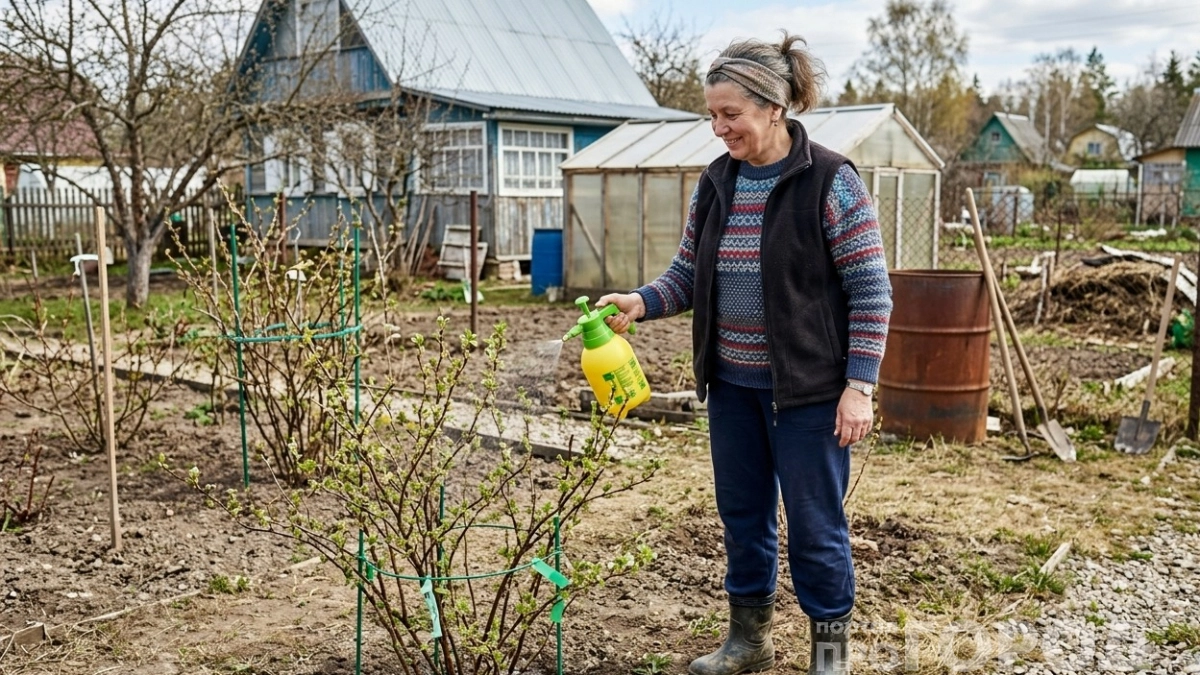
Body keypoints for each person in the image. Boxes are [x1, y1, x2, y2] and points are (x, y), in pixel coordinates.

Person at [597, 32, 892, 675]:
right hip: (732, 388)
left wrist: (859, 384)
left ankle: (830, 656)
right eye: (712, 114)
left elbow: (872, 290)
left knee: (815, 526)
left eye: (730, 114)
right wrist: (642, 303)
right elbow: (687, 272)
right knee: (742, 516)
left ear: (773, 108)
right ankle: (748, 641)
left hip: (810, 393)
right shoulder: (717, 182)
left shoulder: (831, 181)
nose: (718, 127)